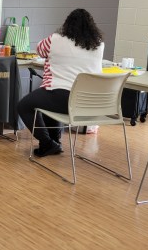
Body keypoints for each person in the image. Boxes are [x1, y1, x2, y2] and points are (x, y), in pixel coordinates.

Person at [17, 8, 104, 157]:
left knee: (25, 105)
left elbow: (40, 50)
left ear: (67, 25)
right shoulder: (99, 45)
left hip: (63, 98)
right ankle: (55, 141)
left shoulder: (55, 39)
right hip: (89, 102)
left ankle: (47, 142)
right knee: (48, 98)